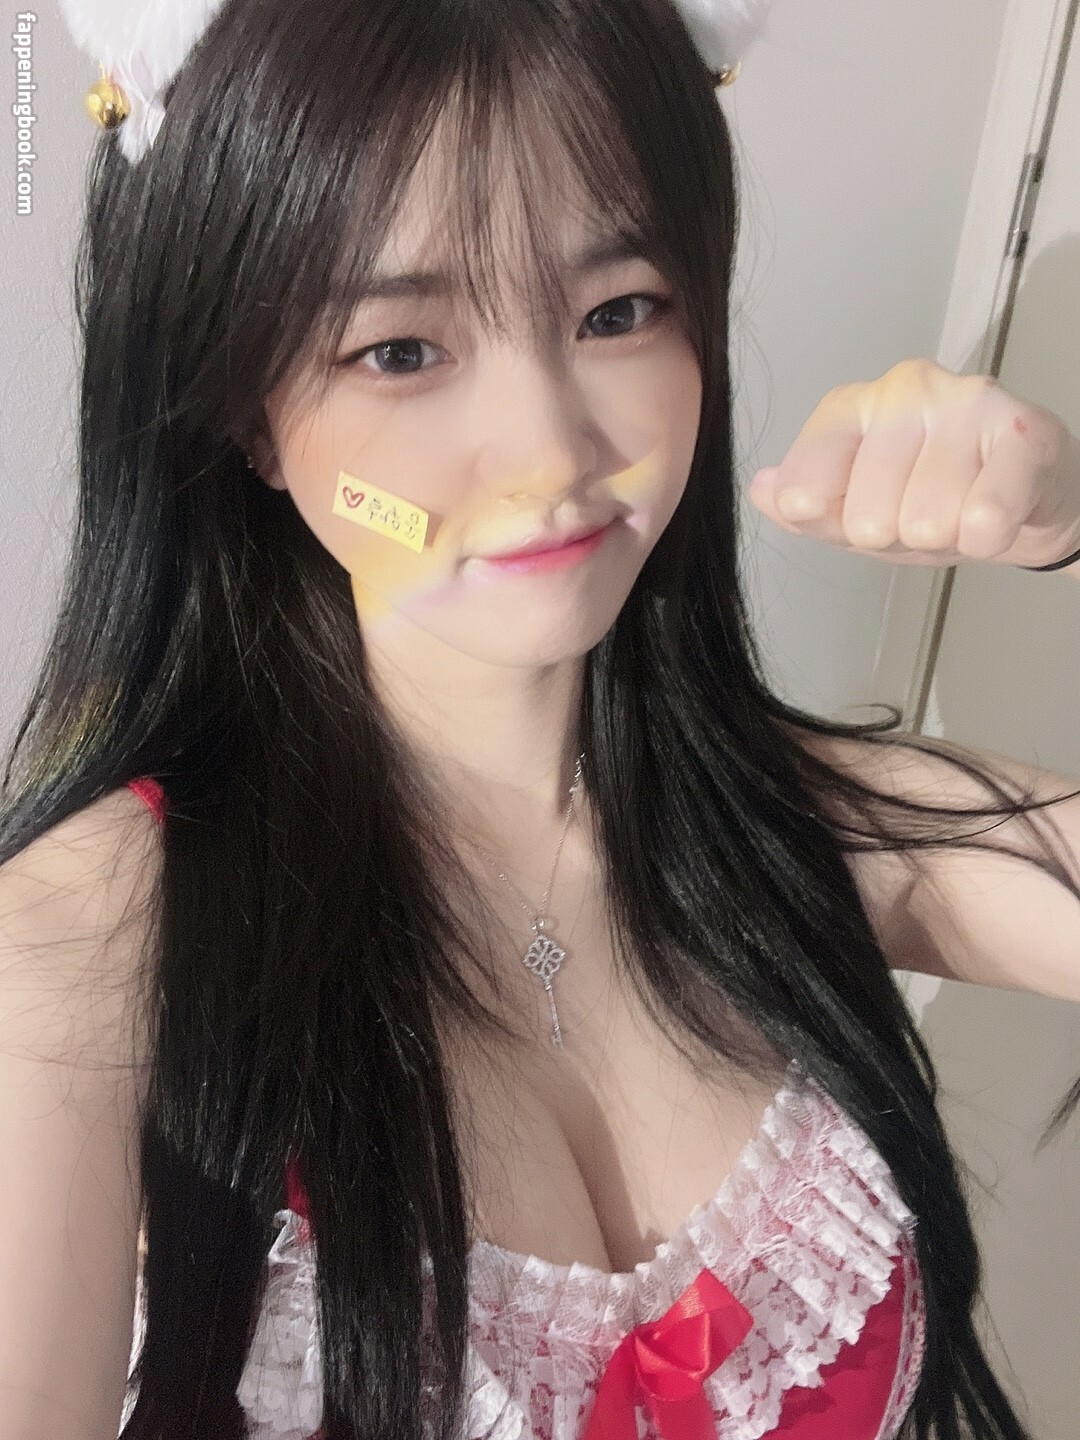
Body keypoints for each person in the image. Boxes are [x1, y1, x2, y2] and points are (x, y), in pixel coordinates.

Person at [2, 0, 1079, 1436]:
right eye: (400, 349)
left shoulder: (801, 829)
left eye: (616, 312)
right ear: (251, 416)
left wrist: (1073, 526)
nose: (550, 452)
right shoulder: (90, 945)